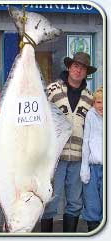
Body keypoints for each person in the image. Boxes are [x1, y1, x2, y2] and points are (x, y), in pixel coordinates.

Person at [41, 52, 97, 232]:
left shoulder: (91, 97)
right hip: (54, 157)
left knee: (74, 203)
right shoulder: (52, 90)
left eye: (82, 68)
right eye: (75, 66)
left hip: (79, 158)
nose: (78, 70)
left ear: (86, 72)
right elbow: (37, 117)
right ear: (69, 67)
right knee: (50, 201)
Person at [80, 87, 103, 232]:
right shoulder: (90, 115)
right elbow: (86, 142)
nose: (101, 105)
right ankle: (93, 232)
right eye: (98, 102)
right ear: (94, 103)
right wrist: (84, 168)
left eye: (104, 102)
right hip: (92, 167)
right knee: (92, 205)